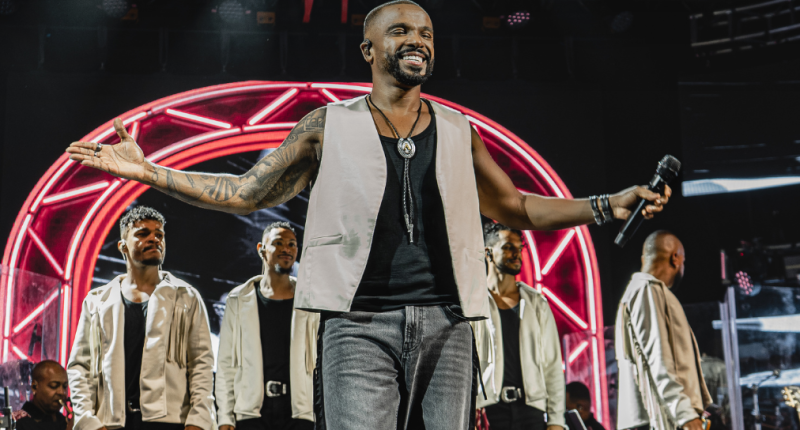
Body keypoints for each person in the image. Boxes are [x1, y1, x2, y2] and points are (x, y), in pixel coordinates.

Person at [66, 1, 670, 427]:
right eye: (401, 30)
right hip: (357, 327)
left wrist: (605, 205)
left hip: (449, 325)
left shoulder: (460, 131)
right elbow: (246, 191)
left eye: (427, 33)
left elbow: (513, 206)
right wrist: (148, 172)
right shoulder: (328, 125)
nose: (418, 41)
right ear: (369, 49)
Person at [67, 207, 216, 430]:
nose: (154, 239)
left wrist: (199, 420)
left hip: (170, 422)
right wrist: (88, 421)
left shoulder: (187, 296)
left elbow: (201, 365)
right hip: (112, 423)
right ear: (122, 246)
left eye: (159, 234)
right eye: (142, 234)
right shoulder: (96, 301)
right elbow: (80, 366)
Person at [216, 222, 318, 430]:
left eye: (292, 244)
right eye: (278, 243)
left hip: (299, 413)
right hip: (251, 413)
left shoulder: (310, 300)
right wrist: (225, 417)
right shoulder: (238, 298)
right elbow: (226, 363)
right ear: (261, 249)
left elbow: (320, 363)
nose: (286, 249)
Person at [615, 231, 711, 430]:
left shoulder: (642, 291)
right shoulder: (646, 290)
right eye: (683, 260)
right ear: (675, 258)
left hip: (657, 417)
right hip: (657, 420)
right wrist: (685, 414)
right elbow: (657, 358)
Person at [473, 223, 565, 430]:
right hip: (489, 411)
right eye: (507, 247)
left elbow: (552, 366)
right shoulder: (474, 304)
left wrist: (556, 421)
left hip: (531, 411)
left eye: (519, 248)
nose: (517, 254)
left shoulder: (537, 303)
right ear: (488, 253)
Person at [13, 361, 70, 430]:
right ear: (34, 386)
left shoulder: (63, 421)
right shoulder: (18, 422)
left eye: (65, 386)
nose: (62, 392)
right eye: (53, 386)